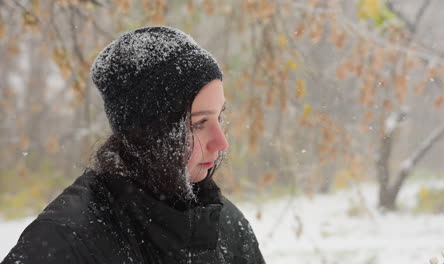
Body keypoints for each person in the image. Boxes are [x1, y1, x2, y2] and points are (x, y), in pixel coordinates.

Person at [2, 26, 265, 264]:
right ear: (151, 134)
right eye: (198, 123)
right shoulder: (67, 239)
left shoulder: (225, 225)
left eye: (219, 117)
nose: (222, 142)